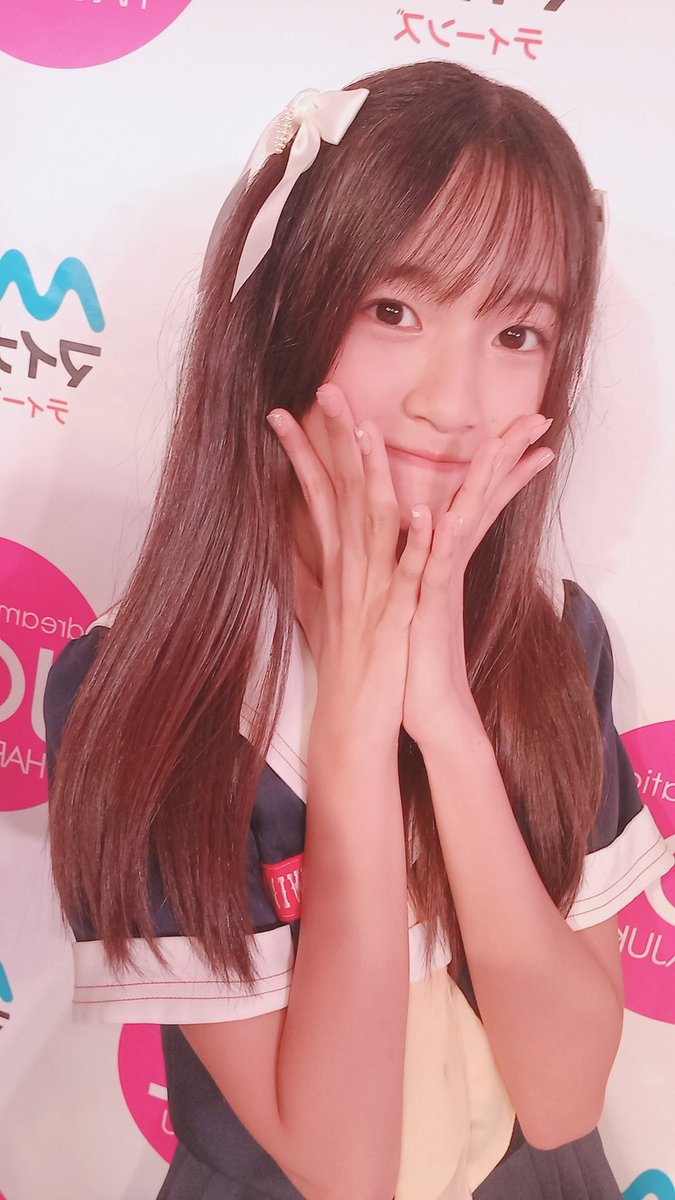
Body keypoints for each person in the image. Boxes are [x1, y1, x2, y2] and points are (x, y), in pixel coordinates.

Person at [45, 60, 673, 1200]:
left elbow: (563, 1096)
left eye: (517, 332)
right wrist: (353, 728)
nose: (453, 400)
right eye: (395, 310)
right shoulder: (150, 689)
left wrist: (447, 721)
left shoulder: (548, 634)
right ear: (287, 310)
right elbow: (341, 1169)